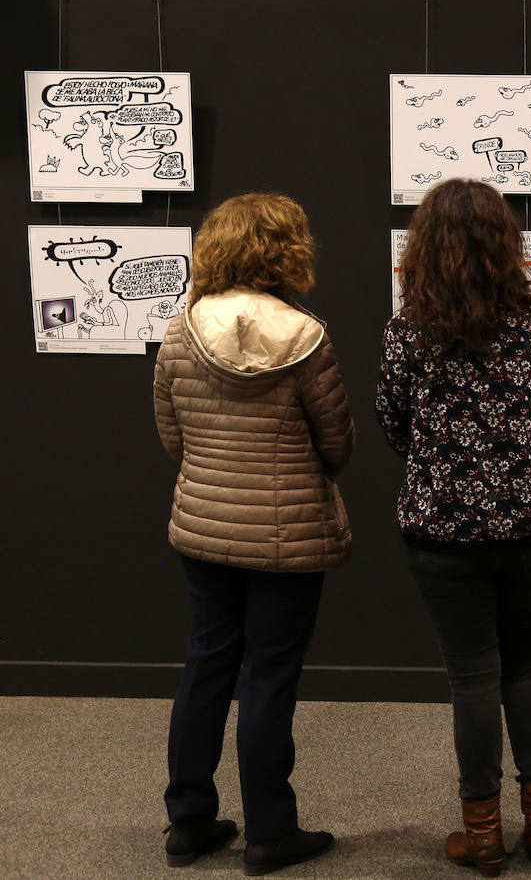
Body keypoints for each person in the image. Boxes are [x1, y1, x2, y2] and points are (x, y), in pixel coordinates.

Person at [154, 193, 353, 875]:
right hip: (285, 536)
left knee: (207, 660)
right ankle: (270, 832)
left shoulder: (181, 329)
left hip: (204, 527)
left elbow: (170, 436)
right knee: (269, 677)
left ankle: (189, 820)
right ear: (286, 249)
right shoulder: (305, 336)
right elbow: (337, 445)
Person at [376, 179, 531, 876]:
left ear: (424, 248)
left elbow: (392, 422)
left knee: (472, 680)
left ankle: (481, 833)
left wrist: (445, 466)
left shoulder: (409, 331)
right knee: (525, 667)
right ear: (503, 244)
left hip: (442, 531)